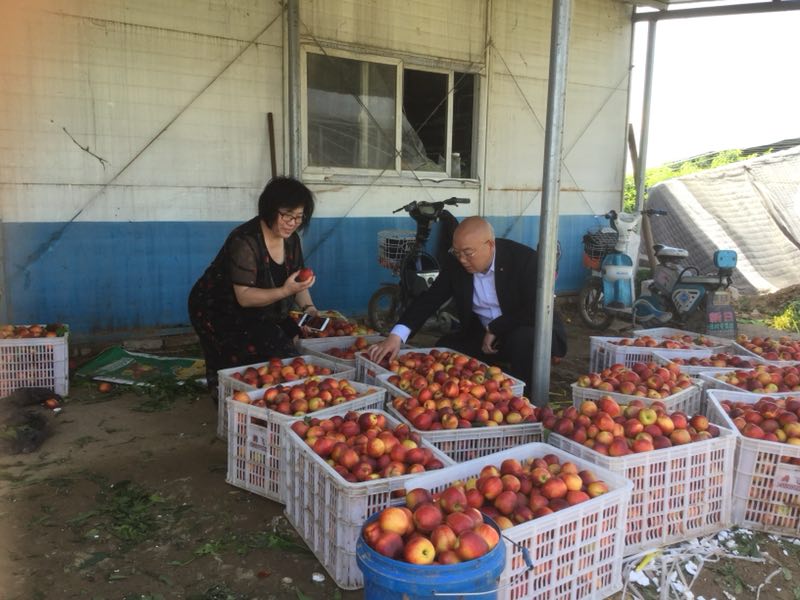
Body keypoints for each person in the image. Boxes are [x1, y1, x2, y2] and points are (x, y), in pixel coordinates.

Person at [367, 216, 567, 400]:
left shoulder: (524, 260)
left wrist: (496, 327)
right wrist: (397, 335)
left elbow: (538, 308)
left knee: (522, 339)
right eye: (457, 252)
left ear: (490, 245)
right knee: (446, 347)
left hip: (528, 329)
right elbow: (430, 299)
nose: (462, 259)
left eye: (468, 253)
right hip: (485, 336)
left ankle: (525, 400)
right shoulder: (456, 264)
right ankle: (471, 396)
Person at [188, 176, 319, 400]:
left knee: (287, 355)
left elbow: (296, 282)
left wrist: (310, 309)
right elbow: (245, 297)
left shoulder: (291, 240)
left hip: (263, 309)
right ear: (269, 209)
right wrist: (285, 291)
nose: (293, 222)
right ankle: (232, 406)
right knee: (236, 368)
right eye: (287, 215)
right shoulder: (245, 240)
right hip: (218, 309)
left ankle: (265, 403)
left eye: (299, 217)